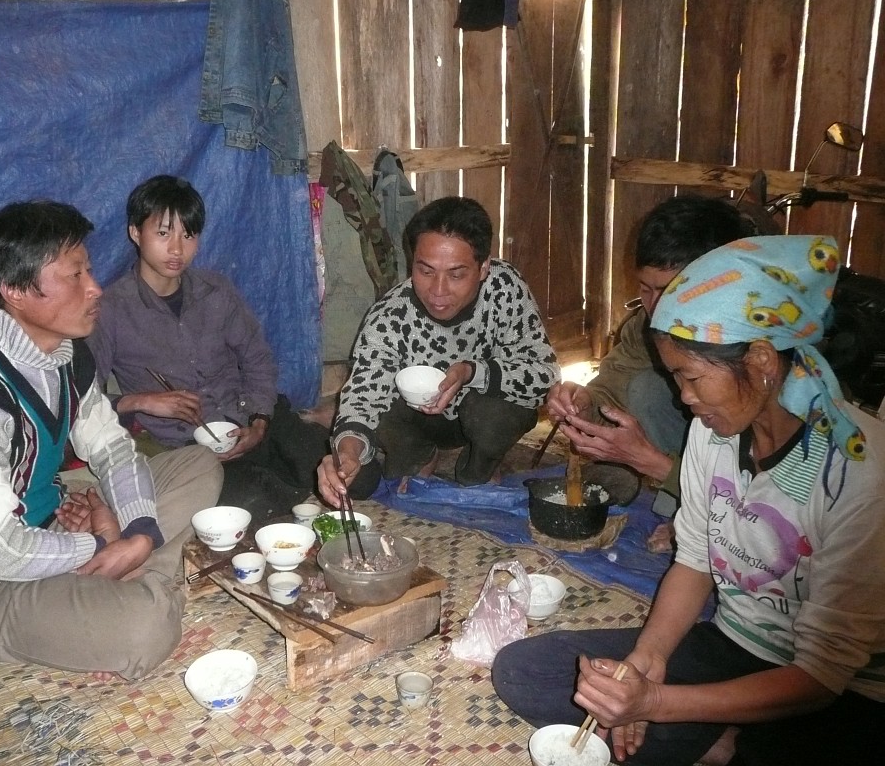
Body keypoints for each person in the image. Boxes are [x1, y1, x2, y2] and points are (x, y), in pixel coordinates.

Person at [492, 235, 885, 766]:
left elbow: (821, 675)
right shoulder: (714, 429)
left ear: (762, 359)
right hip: (738, 645)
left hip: (832, 690)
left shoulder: (859, 470)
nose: (684, 397)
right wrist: (644, 664)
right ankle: (716, 734)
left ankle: (718, 736)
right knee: (527, 670)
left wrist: (657, 702)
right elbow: (695, 558)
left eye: (691, 376)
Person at [0, 200, 222, 680]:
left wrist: (139, 530)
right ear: (15, 290)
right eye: (75, 275)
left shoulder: (64, 354)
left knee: (199, 465)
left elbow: (114, 448)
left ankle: (133, 566)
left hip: (50, 530)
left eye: (90, 270)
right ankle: (142, 582)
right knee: (146, 630)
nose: (95, 287)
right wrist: (98, 540)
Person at [87, 175, 329, 518]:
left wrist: (259, 419)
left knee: (348, 473)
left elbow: (258, 360)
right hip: (185, 447)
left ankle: (281, 468)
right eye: (163, 233)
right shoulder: (110, 309)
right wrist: (142, 401)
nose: (176, 248)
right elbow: (82, 399)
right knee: (251, 502)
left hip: (247, 421)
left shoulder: (216, 290)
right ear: (134, 233)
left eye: (188, 235)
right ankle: (272, 483)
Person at [317, 196, 559, 505]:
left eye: (457, 274)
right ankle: (418, 455)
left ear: (484, 267)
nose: (438, 290)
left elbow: (545, 374)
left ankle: (479, 465)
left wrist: (473, 371)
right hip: (419, 419)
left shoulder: (505, 288)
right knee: (381, 411)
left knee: (497, 414)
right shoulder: (389, 316)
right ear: (412, 260)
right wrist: (346, 454)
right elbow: (362, 397)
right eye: (426, 270)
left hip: (480, 411)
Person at [546, 195, 753, 549]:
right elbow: (617, 379)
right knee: (646, 387)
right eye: (646, 289)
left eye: (672, 290)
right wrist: (585, 403)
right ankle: (692, 507)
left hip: (763, 508)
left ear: (719, 281)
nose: (658, 306)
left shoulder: (757, 350)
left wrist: (653, 464)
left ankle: (704, 519)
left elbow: (770, 496)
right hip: (703, 473)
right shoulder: (651, 323)